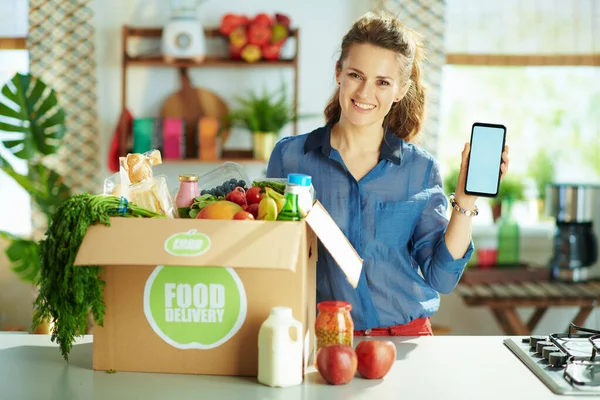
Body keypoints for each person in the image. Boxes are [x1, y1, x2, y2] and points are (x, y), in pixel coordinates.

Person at [266, 12, 509, 336]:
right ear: (338, 73)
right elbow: (274, 256)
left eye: (382, 82)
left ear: (400, 90)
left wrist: (465, 200)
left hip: (405, 338)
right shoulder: (291, 158)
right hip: (323, 335)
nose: (366, 92)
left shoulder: (419, 170)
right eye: (356, 75)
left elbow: (442, 278)